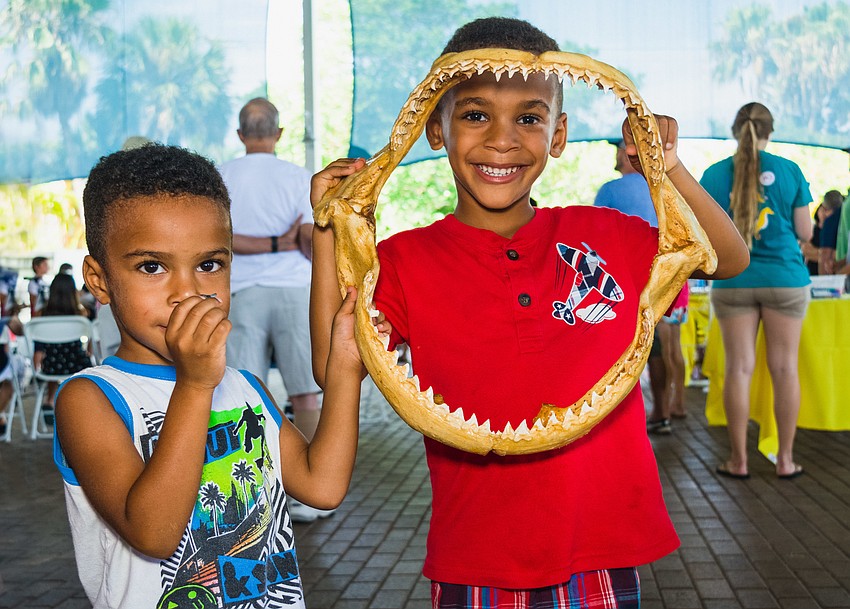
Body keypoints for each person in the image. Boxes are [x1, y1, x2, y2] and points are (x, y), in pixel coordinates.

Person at [311, 17, 749, 607]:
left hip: (602, 551)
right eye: (474, 114)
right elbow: (330, 363)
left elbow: (726, 258)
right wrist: (328, 229)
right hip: (477, 557)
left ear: (558, 133)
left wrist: (666, 166)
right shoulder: (403, 261)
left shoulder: (609, 236)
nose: (501, 138)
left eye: (529, 117)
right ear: (434, 130)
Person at [55, 144, 377, 608]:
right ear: (100, 280)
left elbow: (321, 486)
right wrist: (196, 383)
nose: (187, 291)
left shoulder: (244, 387)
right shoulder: (91, 399)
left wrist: (345, 367)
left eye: (209, 265)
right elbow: (153, 533)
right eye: (152, 267)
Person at [218, 98, 327, 523]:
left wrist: (258, 243)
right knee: (305, 390)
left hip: (241, 290)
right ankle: (309, 491)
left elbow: (221, 239)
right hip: (293, 289)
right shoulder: (299, 177)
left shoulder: (221, 177)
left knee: (245, 391)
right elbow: (308, 239)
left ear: (241, 135)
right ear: (279, 134)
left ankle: (252, 495)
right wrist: (282, 242)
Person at [700, 102, 812, 481]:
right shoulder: (790, 170)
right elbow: (806, 233)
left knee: (739, 368)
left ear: (735, 130)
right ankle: (785, 460)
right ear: (770, 130)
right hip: (785, 278)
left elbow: (702, 231)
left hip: (733, 281)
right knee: (784, 368)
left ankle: (739, 461)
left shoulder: (714, 174)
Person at [594, 140, 689, 434]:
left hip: (624, 285)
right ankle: (665, 410)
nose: (615, 154)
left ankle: (618, 418)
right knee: (664, 348)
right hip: (668, 279)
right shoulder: (667, 189)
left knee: (619, 354)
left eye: (618, 148)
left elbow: (595, 242)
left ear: (628, 153)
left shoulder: (610, 190)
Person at [33, 272, 93, 423]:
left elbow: (39, 347)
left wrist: (36, 366)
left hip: (51, 365)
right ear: (73, 292)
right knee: (77, 361)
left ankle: (49, 401)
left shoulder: (42, 315)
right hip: (78, 364)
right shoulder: (81, 314)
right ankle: (79, 408)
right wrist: (88, 352)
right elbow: (92, 338)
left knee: (53, 359)